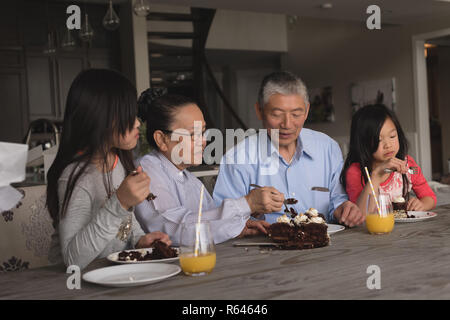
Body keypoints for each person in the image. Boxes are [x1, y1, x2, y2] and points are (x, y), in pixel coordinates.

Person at [47, 69, 171, 270]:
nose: (138, 122)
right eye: (129, 115)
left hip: (111, 274)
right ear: (102, 119)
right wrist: (120, 202)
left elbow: (125, 224)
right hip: (71, 285)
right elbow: (73, 260)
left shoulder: (118, 162)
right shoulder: (76, 177)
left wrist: (140, 240)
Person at [213, 71, 363, 227]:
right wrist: (246, 217)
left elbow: (337, 201)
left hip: (322, 245)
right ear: (259, 111)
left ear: (306, 111)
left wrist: (344, 209)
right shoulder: (237, 158)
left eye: (296, 114)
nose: (287, 124)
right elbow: (220, 222)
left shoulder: (327, 148)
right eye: (277, 114)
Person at [134, 89, 274, 245]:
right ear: (161, 139)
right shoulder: (146, 171)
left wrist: (237, 226)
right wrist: (247, 203)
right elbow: (174, 231)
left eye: (203, 132)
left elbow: (205, 220)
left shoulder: (190, 179)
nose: (204, 141)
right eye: (193, 134)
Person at [341, 104, 436, 211]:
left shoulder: (409, 166)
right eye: (378, 140)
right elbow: (360, 215)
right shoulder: (355, 172)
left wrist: (422, 204)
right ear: (363, 143)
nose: (388, 145)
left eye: (392, 136)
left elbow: (429, 197)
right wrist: (376, 176)